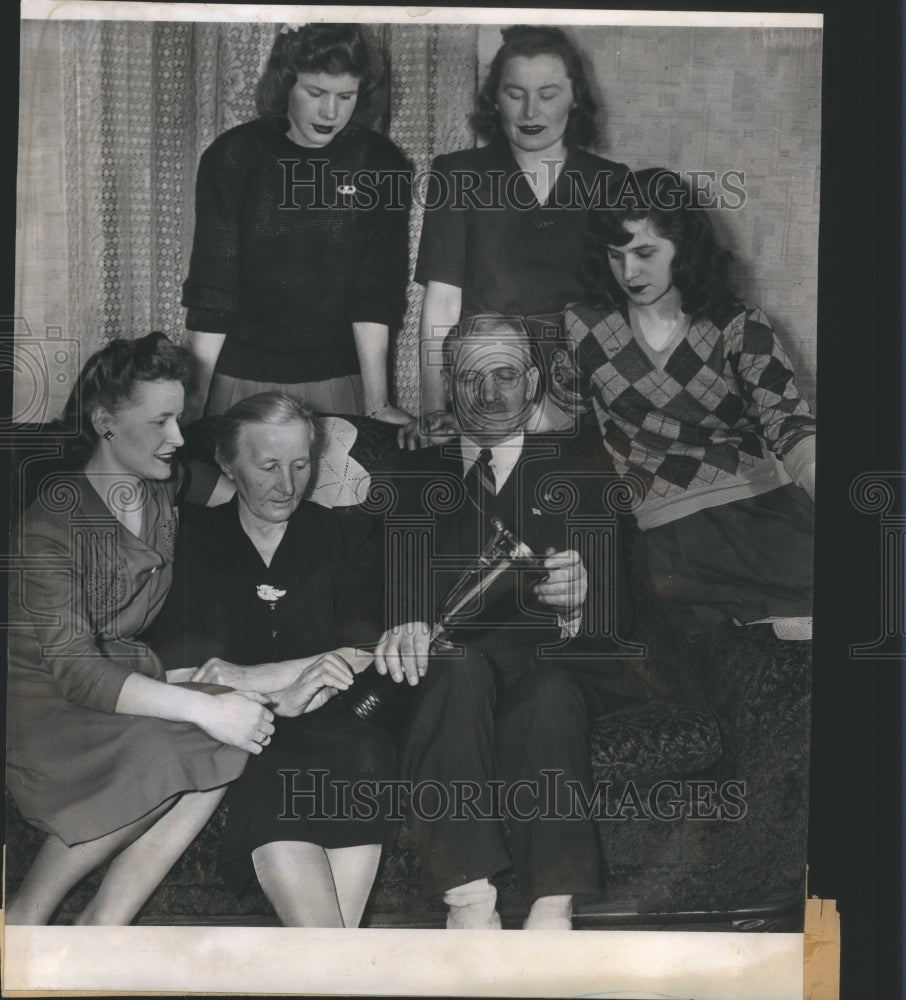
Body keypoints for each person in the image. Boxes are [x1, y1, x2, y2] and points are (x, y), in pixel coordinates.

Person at [373, 316, 646, 929]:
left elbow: (623, 618)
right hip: (444, 679)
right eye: (473, 377)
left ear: (531, 382)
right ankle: (471, 904)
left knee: (549, 692)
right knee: (457, 667)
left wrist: (581, 602)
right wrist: (400, 627)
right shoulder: (409, 476)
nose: (491, 394)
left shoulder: (583, 472)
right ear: (448, 385)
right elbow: (379, 592)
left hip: (544, 673)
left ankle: (553, 909)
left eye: (505, 375)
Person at [6, 333, 274, 926]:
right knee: (194, 729)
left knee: (238, 724)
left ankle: (104, 924)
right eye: (161, 422)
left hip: (122, 679)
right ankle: (25, 912)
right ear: (105, 422)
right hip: (47, 703)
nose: (178, 437)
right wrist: (198, 707)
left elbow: (249, 498)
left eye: (180, 417)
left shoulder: (164, 480)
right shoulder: (50, 528)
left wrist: (319, 478)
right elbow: (74, 669)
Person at [149, 393, 397, 927]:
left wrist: (249, 676)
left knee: (368, 750)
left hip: (347, 735)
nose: (287, 485)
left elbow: (362, 654)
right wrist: (283, 693)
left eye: (301, 465)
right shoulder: (191, 544)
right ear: (226, 463)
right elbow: (185, 676)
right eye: (268, 466)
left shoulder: (344, 534)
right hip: (252, 737)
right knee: (265, 768)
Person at [565, 167, 815, 639]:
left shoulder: (739, 325)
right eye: (615, 256)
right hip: (668, 527)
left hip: (761, 506)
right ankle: (780, 612)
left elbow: (791, 424)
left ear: (684, 249)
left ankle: (778, 614)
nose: (629, 272)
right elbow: (555, 415)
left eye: (644, 253)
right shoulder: (584, 327)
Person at [183, 23, 415, 440]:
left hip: (340, 388)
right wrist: (195, 408)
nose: (331, 113)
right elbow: (211, 295)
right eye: (315, 93)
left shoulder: (382, 163)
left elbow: (374, 297)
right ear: (284, 85)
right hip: (240, 386)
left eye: (346, 96)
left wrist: (378, 404)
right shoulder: (232, 156)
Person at [412, 24, 626, 444]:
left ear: (575, 97)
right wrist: (435, 408)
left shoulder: (610, 181)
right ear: (494, 98)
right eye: (515, 94)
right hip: (488, 380)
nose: (531, 113)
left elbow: (627, 303)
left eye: (548, 95)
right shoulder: (457, 174)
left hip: (584, 384)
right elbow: (442, 302)